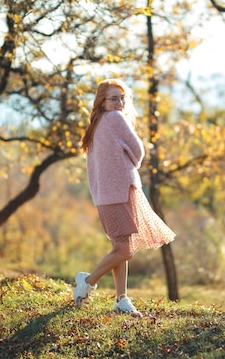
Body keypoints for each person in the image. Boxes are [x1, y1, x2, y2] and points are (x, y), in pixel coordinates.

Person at [74, 79, 176, 317]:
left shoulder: (96, 124)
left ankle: (121, 299)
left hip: (106, 195)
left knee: (121, 246)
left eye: (122, 98)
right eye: (113, 98)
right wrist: (132, 162)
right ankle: (88, 281)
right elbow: (138, 149)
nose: (119, 103)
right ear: (102, 101)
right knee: (124, 250)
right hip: (119, 193)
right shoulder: (114, 119)